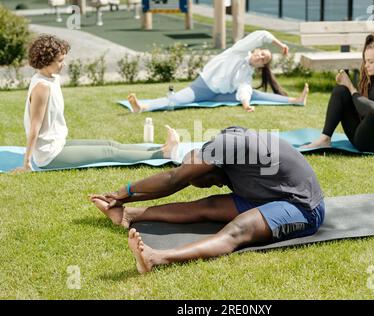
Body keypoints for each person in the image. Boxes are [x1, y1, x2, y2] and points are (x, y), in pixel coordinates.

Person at [90, 126, 325, 274]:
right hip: (267, 193)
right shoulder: (220, 146)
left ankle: (157, 258)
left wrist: (126, 190)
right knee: (207, 206)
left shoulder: (223, 149)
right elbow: (180, 180)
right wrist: (125, 202)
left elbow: (174, 180)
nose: (219, 184)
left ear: (209, 169)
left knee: (239, 228)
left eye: (211, 182)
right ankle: (127, 215)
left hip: (302, 206)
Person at [14, 34, 179, 172]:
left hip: (58, 143)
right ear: (45, 61)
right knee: (109, 152)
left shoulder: (52, 78)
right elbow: (34, 128)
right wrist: (27, 163)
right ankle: (163, 154)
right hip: (49, 155)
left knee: (111, 144)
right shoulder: (42, 88)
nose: (63, 64)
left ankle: (162, 148)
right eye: (60, 60)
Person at [127, 30, 309, 113]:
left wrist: (246, 105)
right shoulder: (239, 50)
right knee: (177, 99)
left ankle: (296, 100)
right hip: (203, 87)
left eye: (265, 60)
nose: (261, 57)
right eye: (261, 53)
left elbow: (243, 89)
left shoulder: (247, 73)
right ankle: (142, 106)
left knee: (255, 95)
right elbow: (261, 35)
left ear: (262, 65)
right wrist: (280, 44)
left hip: (220, 95)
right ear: (255, 51)